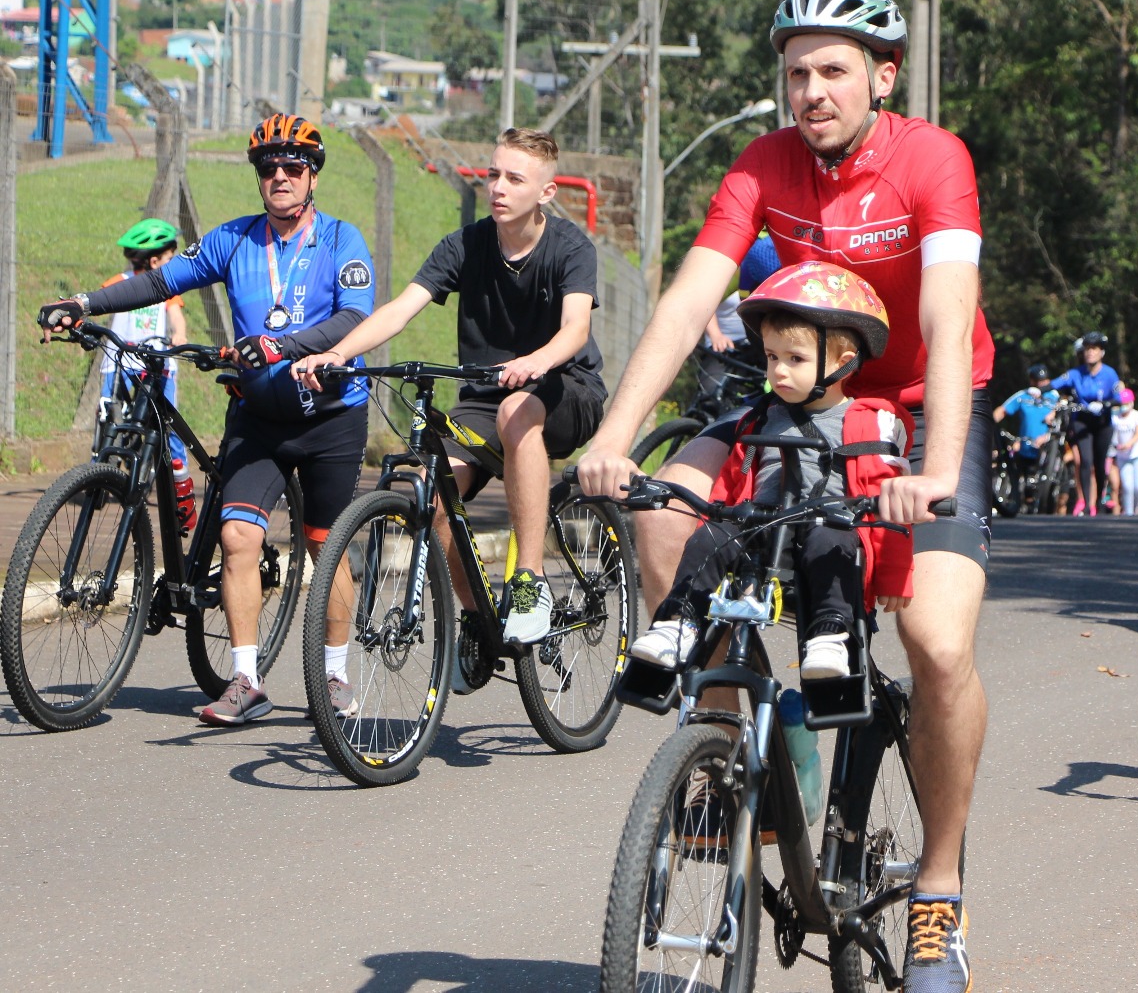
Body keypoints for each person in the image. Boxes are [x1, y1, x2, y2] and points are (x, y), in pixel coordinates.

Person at [576, 0, 987, 990]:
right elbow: (683, 306)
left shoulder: (934, 160)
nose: (811, 91)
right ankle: (732, 746)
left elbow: (944, 317)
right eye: (796, 72)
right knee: (667, 518)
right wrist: (613, 438)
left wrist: (931, 469)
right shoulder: (761, 164)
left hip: (921, 409)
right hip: (799, 395)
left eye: (834, 71)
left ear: (882, 77)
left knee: (936, 638)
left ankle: (937, 892)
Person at [40, 113, 376, 727]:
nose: (279, 176)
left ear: (312, 177)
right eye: (268, 168)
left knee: (325, 548)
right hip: (258, 417)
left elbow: (355, 318)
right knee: (237, 537)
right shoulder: (233, 240)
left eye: (292, 166)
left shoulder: (340, 241)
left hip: (330, 419)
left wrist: (285, 345)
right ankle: (245, 680)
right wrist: (83, 303)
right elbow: (160, 281)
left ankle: (334, 671)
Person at [296, 127, 606, 661]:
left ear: (547, 193)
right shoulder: (465, 245)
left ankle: (528, 582)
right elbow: (399, 309)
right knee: (432, 498)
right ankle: (480, 616)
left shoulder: (570, 247)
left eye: (514, 178)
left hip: (564, 388)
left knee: (518, 409)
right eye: (493, 175)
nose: (498, 188)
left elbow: (575, 328)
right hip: (487, 395)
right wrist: (339, 354)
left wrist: (534, 362)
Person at [630, 262, 912, 679]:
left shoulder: (871, 420)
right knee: (711, 535)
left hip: (828, 525)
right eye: (771, 357)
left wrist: (895, 573)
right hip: (762, 528)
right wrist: (704, 510)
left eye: (794, 358)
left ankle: (829, 634)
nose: (777, 371)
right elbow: (731, 479)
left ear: (844, 363)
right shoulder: (760, 418)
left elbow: (891, 498)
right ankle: (678, 622)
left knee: (828, 539)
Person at [100, 218, 195, 532]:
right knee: (106, 416)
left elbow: (176, 318)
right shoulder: (121, 281)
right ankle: (99, 473)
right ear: (156, 260)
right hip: (121, 363)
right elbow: (98, 301)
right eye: (171, 256)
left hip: (157, 367)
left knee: (172, 434)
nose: (173, 262)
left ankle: (182, 494)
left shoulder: (169, 288)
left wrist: (179, 336)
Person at [695, 233, 776, 400]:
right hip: (726, 346)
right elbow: (703, 304)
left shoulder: (771, 277)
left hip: (760, 344)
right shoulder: (732, 276)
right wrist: (717, 335)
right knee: (710, 393)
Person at [1053, 331, 1122, 516]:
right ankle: (1084, 503)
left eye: (1094, 349)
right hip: (1082, 421)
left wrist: (1104, 404)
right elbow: (1054, 384)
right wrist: (1038, 389)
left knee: (1100, 462)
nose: (1090, 353)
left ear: (1101, 352)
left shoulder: (1109, 373)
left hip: (1102, 422)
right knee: (1085, 460)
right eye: (1087, 349)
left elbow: (1119, 398)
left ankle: (1099, 499)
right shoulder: (1076, 373)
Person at [992, 362, 1060, 506]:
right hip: (1025, 446)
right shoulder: (1023, 396)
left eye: (1045, 381)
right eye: (1039, 382)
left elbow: (1063, 413)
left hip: (1047, 448)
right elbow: (1002, 411)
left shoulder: (1055, 397)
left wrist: (1048, 435)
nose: (1042, 385)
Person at [1110, 387, 1138, 515]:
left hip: (1137, 454)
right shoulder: (1115, 416)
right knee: (1127, 487)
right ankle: (1129, 514)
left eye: (1126, 403)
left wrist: (1128, 444)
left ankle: (1137, 507)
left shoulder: (1137, 416)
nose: (1124, 406)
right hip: (1122, 457)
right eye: (1122, 404)